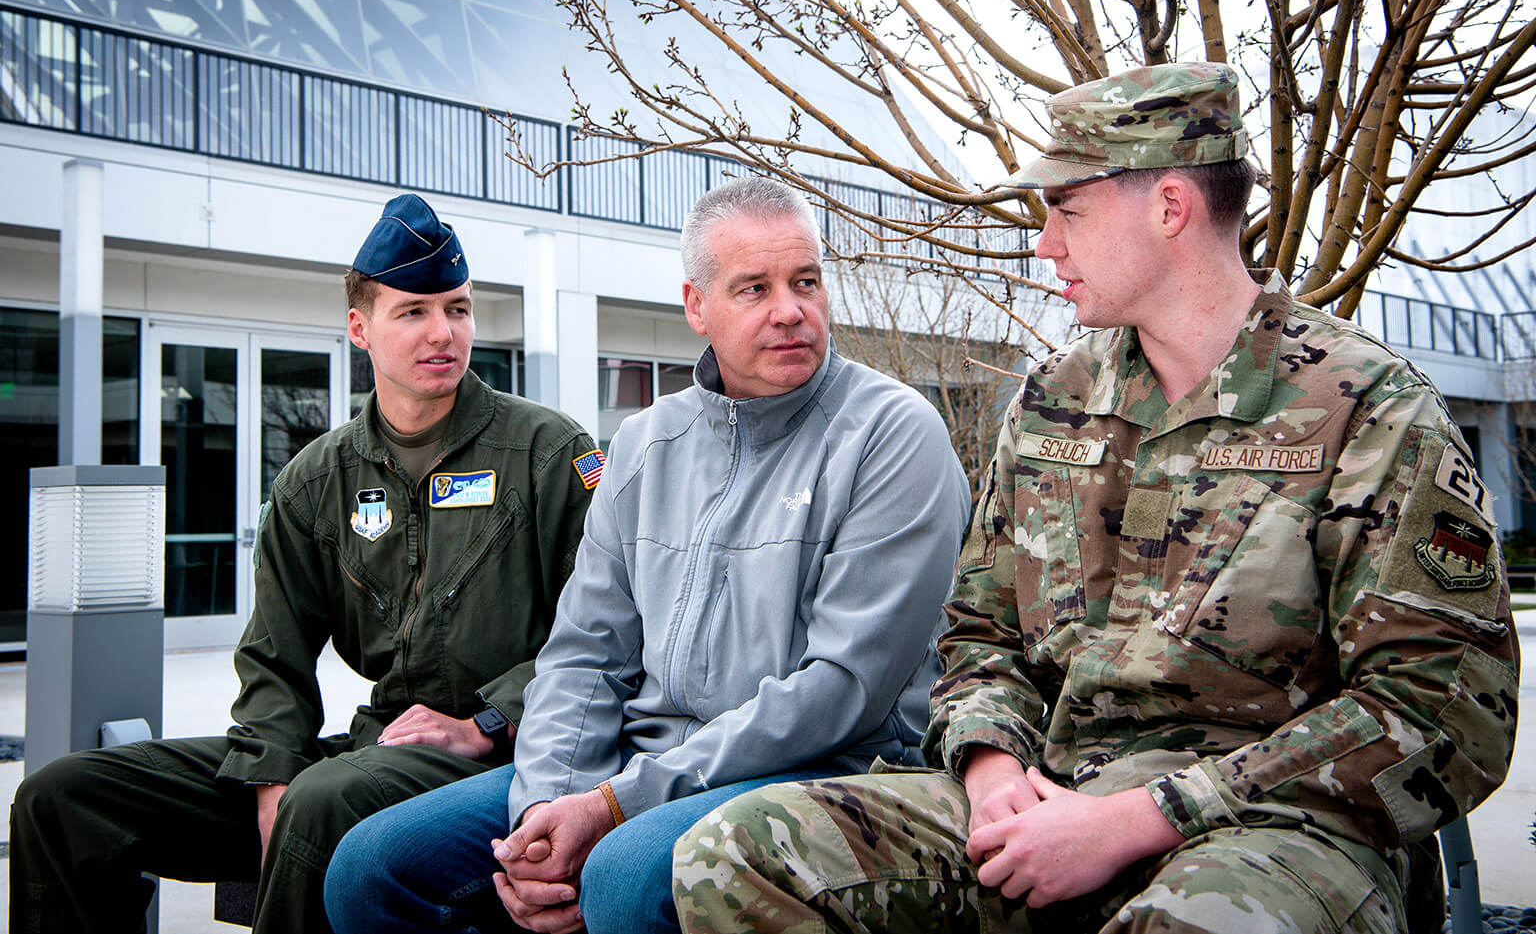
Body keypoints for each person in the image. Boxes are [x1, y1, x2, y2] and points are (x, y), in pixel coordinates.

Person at [672, 64, 1521, 934]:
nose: (1046, 243)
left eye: (1068, 211)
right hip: (1052, 796)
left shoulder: (1366, 405)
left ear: (1170, 208)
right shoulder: (1053, 402)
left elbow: (1442, 706)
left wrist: (1142, 817)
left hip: (1276, 832)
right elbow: (979, 635)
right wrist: (992, 767)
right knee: (737, 852)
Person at [323, 175, 972, 934]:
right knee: (371, 864)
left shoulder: (893, 435)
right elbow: (583, 655)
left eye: (805, 281)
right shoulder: (644, 444)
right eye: (753, 288)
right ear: (697, 306)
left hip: (821, 769)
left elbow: (840, 690)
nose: (790, 309)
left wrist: (612, 805)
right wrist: (547, 807)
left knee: (626, 872)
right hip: (638, 767)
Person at [10, 193, 599, 934]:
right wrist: (270, 781)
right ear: (360, 327)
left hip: (502, 756)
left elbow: (601, 632)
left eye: (457, 307)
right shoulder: (318, 480)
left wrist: (486, 718)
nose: (443, 332)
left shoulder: (547, 453)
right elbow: (274, 660)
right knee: (64, 797)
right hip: (373, 748)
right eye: (413, 311)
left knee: (323, 802)